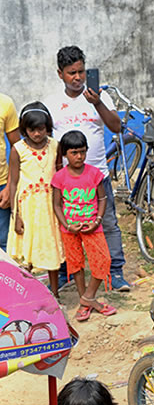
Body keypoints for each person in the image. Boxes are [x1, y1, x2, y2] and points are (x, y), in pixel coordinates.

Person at [44, 45, 130, 291]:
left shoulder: (99, 96)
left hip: (97, 175)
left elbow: (116, 127)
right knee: (65, 226)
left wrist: (97, 103)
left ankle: (116, 274)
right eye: (71, 73)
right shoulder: (52, 103)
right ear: (60, 74)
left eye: (81, 71)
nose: (78, 77)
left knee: (109, 224)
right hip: (67, 180)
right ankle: (65, 274)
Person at [51, 130, 117, 321]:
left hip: (93, 228)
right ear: (64, 154)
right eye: (74, 153)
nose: (79, 156)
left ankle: (88, 298)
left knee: (103, 260)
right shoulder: (60, 177)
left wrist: (97, 220)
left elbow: (102, 198)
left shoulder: (94, 173)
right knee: (76, 265)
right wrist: (67, 225)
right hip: (69, 230)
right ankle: (85, 301)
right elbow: (56, 205)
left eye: (82, 152)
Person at [6, 102, 63, 296]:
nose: (37, 134)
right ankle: (27, 295)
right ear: (24, 129)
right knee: (27, 251)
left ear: (47, 127)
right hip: (27, 207)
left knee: (51, 247)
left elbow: (60, 174)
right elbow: (13, 182)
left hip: (49, 206)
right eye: (32, 130)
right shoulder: (17, 149)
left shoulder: (55, 146)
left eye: (41, 129)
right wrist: (16, 215)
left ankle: (55, 293)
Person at [0, 90, 20, 251]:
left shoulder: (5, 103)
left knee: (4, 242)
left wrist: (8, 187)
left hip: (1, 184)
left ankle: (5, 277)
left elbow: (17, 147)